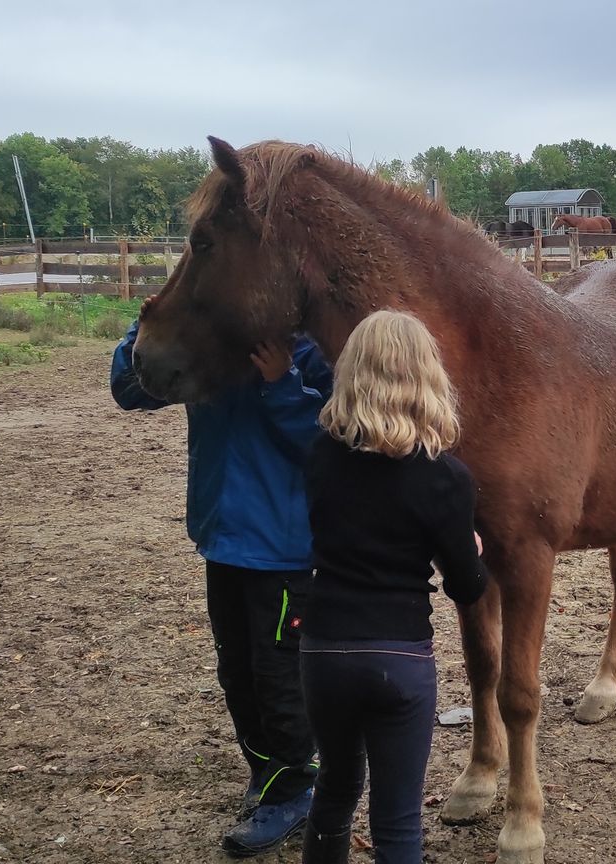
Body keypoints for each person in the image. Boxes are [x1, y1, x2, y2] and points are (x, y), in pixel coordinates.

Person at [110, 298, 331, 856]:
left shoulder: (305, 352)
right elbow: (129, 389)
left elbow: (327, 447)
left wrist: (281, 383)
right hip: (222, 538)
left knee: (280, 676)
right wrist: (148, 324)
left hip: (282, 550)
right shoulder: (203, 345)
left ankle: (297, 790)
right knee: (237, 671)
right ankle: (266, 773)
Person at [299, 310, 487, 864]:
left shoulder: (320, 456)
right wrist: (469, 549)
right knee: (398, 821)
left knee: (334, 790)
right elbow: (467, 588)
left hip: (324, 650)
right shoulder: (446, 477)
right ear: (427, 375)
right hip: (399, 655)